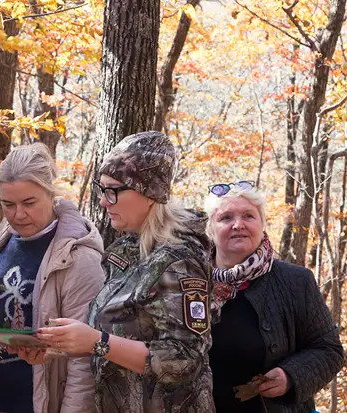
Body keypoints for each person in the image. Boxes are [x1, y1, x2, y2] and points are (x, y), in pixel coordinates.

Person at [25, 132, 216, 412]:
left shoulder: (180, 259)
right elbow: (114, 335)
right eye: (102, 190)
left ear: (149, 194)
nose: (104, 201)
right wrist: (56, 348)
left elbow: (185, 358)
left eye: (113, 190)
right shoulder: (125, 249)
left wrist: (96, 342)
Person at [0, 143, 105, 413]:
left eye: (29, 203)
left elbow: (83, 365)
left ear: (50, 194)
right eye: (8, 205)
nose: (18, 214)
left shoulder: (78, 257)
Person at [204, 181, 344, 413]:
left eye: (248, 216)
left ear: (262, 225)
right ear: (210, 229)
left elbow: (329, 350)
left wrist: (291, 376)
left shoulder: (296, 281)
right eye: (226, 218)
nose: (238, 224)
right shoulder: (188, 283)